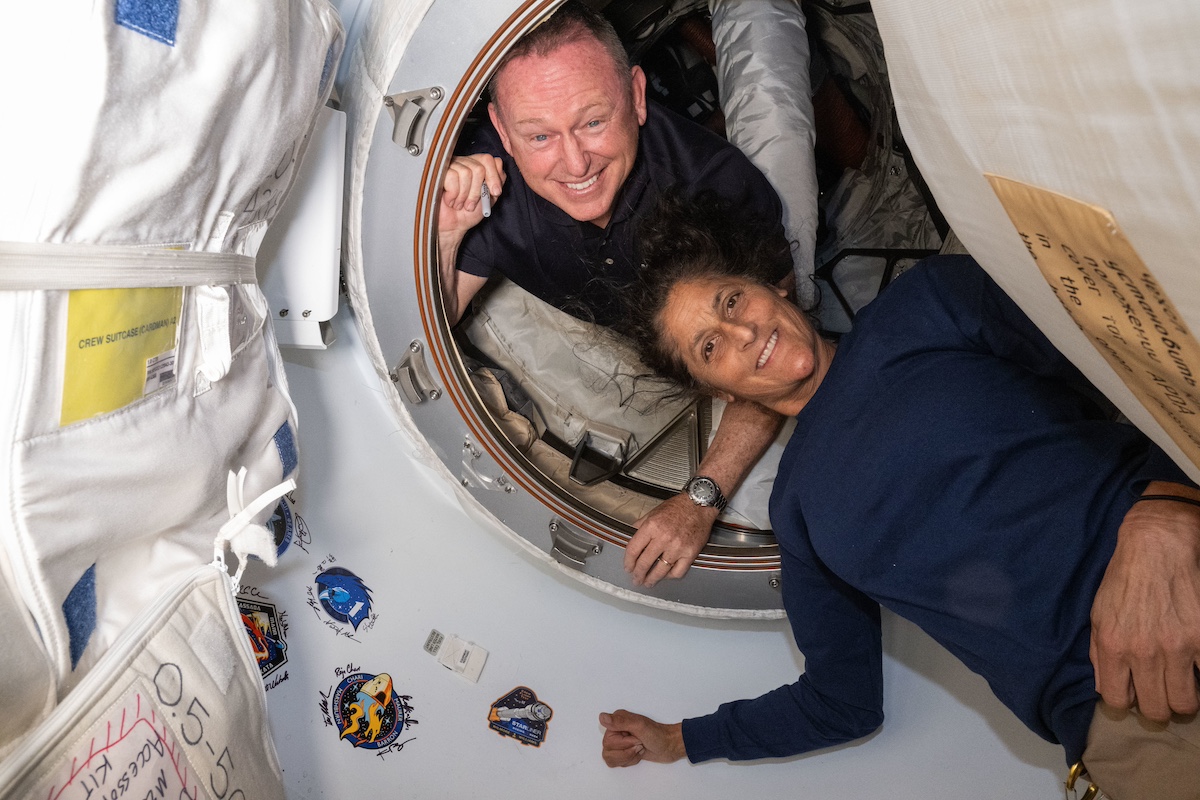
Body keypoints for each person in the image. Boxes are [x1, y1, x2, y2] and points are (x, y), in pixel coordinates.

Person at [598, 193, 1200, 799]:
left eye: (732, 300)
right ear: (718, 392)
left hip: (1182, 569)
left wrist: (1168, 511)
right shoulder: (798, 513)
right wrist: (681, 739)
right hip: (1129, 719)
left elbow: (1143, 363)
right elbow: (841, 702)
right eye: (710, 346)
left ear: (773, 287)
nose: (743, 331)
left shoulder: (928, 303)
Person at [437, 1, 799, 585]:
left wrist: (698, 499)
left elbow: (777, 353)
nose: (574, 161)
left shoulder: (719, 190)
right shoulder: (490, 182)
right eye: (538, 135)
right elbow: (440, 314)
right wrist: (450, 230)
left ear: (635, 95)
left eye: (592, 122)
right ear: (502, 130)